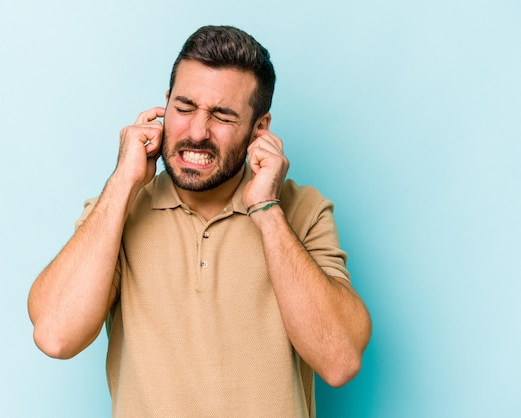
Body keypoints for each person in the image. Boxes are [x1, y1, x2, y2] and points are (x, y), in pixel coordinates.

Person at [28, 25, 371, 417]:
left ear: (259, 130)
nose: (196, 132)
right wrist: (123, 182)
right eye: (184, 107)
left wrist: (266, 210)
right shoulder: (117, 209)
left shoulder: (301, 209)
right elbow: (55, 336)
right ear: (165, 105)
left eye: (222, 116)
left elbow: (340, 360)